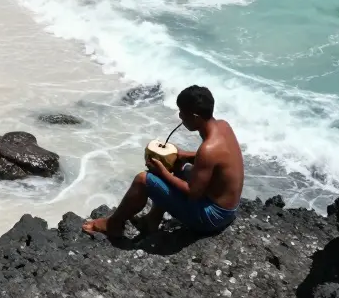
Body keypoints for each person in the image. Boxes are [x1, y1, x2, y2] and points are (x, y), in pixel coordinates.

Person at [82, 85, 243, 237]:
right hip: (229, 210)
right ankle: (152, 220)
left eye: (182, 113)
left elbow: (193, 193)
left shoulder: (208, 150)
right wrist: (184, 156)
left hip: (211, 218)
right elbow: (218, 158)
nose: (180, 117)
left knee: (143, 180)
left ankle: (113, 225)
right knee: (177, 165)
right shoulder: (223, 126)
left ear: (195, 117)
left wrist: (163, 172)